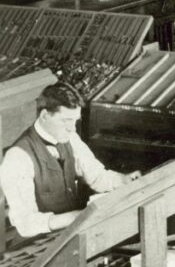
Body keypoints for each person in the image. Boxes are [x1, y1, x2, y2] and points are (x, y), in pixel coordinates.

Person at [0, 83, 140, 242]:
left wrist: (123, 180)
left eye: (75, 121)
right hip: (36, 245)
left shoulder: (70, 138)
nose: (72, 128)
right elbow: (26, 223)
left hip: (71, 233)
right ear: (45, 116)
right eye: (66, 121)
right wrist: (77, 216)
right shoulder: (17, 157)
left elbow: (96, 176)